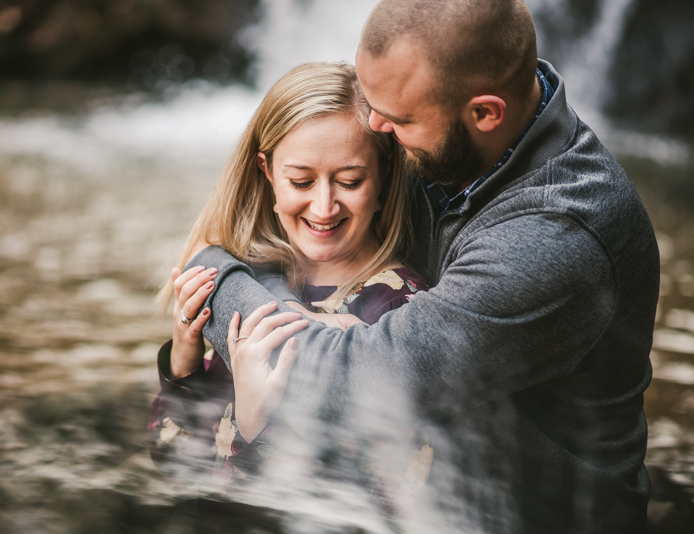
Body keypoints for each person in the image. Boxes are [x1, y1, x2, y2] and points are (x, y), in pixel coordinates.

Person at [180, 1, 660, 533]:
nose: (375, 125)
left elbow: (340, 383)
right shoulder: (449, 131)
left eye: (400, 118)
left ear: (485, 113)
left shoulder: (554, 239)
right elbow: (250, 221)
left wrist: (214, 274)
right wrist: (289, 299)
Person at [147, 62, 431, 512]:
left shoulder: (400, 311)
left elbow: (381, 508)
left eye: (350, 181)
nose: (323, 205)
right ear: (267, 172)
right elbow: (173, 462)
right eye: (301, 181)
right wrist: (184, 362)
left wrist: (256, 427)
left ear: (384, 179)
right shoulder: (246, 279)